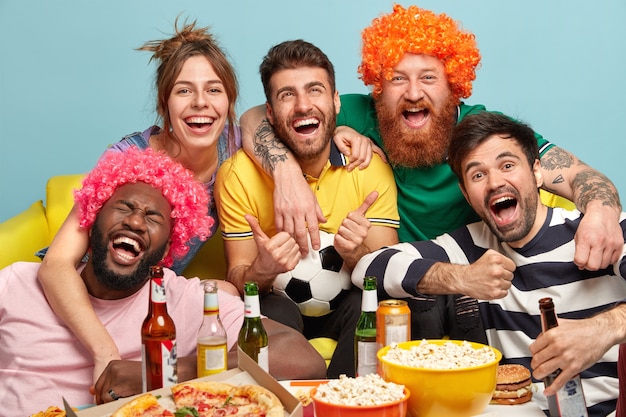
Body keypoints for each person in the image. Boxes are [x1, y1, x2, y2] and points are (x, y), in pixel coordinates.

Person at [239, 4, 623, 344]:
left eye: (428, 77)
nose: (412, 93)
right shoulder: (360, 113)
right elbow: (255, 116)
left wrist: (603, 213)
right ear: (378, 89)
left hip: (473, 287)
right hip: (399, 277)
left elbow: (578, 175)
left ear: (454, 87)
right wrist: (286, 172)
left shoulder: (485, 136)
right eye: (397, 78)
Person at [0, 148, 326, 417]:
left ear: (170, 245)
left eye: (154, 218)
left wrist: (162, 371)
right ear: (92, 218)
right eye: (124, 208)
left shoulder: (183, 300)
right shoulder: (16, 283)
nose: (136, 221)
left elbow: (304, 361)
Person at [352, 112, 626, 416]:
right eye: (478, 175)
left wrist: (602, 330)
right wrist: (460, 278)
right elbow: (370, 267)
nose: (495, 182)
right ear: (467, 195)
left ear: (537, 172)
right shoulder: (470, 248)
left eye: (507, 166)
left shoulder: (599, 230)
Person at [36, 19, 242, 386]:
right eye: (184, 91)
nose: (201, 103)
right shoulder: (127, 157)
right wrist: (105, 352)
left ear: (229, 101)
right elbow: (56, 265)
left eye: (214, 90)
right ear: (164, 104)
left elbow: (269, 119)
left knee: (224, 291)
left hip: (148, 296)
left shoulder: (237, 147)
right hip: (91, 291)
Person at [214, 39, 399, 378]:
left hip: (348, 301)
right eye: (287, 95)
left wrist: (358, 253)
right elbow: (237, 277)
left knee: (370, 307)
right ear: (269, 113)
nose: (303, 105)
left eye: (315, 90)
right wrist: (262, 270)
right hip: (277, 304)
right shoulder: (237, 175)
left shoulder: (367, 166)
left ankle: (349, 406)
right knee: (261, 310)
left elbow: (387, 274)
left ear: (335, 101)